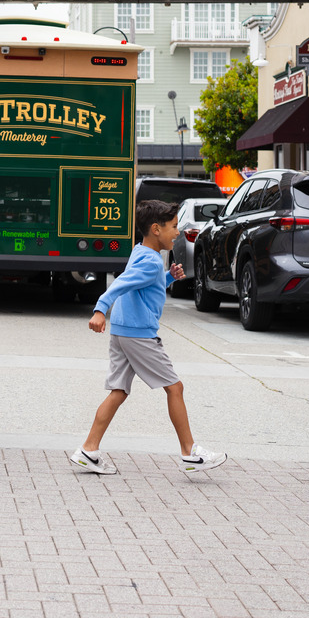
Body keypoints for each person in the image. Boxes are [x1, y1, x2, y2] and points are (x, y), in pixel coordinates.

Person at [70, 199, 227, 477]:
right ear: (156, 229)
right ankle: (190, 452)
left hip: (122, 331)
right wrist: (100, 309)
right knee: (175, 388)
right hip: (139, 335)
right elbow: (123, 282)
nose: (177, 232)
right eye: (174, 227)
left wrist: (168, 278)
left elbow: (142, 283)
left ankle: (88, 450)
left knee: (118, 392)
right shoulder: (151, 261)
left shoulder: (140, 252)